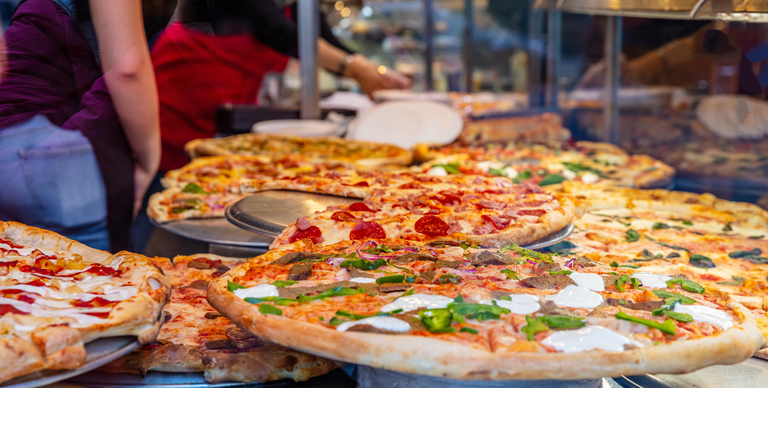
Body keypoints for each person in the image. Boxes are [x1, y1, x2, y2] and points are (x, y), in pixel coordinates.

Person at [0, 0, 160, 252]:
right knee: (96, 281)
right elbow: (129, 69)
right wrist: (149, 161)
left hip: (28, 152)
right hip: (43, 165)